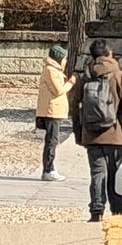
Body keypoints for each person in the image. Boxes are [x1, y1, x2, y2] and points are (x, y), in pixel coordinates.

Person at [68, 38, 122, 222]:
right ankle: (117, 209)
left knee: (97, 172)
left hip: (91, 134)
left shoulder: (85, 77)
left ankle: (96, 210)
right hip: (115, 134)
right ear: (109, 55)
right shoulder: (121, 77)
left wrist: (79, 133)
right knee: (115, 172)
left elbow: (74, 107)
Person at [36, 44, 73, 181]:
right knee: (52, 141)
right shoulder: (51, 70)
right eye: (64, 59)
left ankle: (50, 168)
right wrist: (70, 83)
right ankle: (48, 169)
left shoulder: (54, 70)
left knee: (53, 140)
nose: (65, 62)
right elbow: (58, 90)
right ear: (59, 59)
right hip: (51, 111)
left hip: (54, 110)